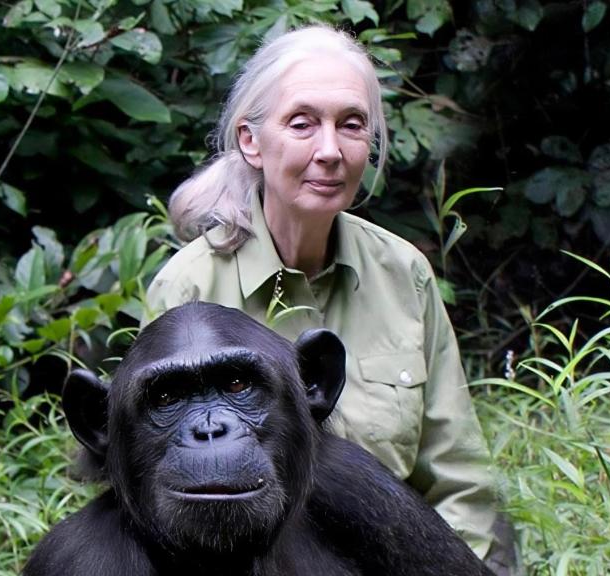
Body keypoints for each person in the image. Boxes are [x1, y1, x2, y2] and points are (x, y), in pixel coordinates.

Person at [143, 25, 514, 573]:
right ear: (251, 141)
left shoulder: (403, 273)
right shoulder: (189, 287)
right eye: (302, 123)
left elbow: (460, 480)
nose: (330, 151)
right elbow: (151, 491)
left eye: (352, 125)